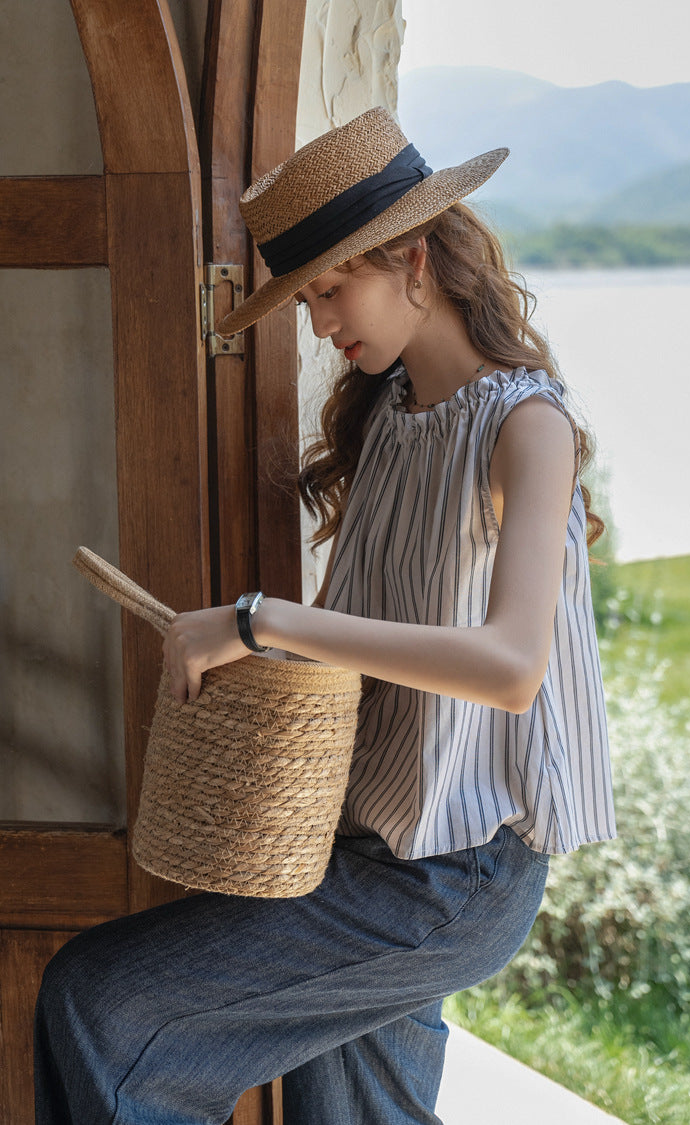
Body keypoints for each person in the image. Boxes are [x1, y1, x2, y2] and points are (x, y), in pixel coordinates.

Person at [34, 106, 615, 1125]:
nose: (319, 324)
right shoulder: (387, 423)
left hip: (454, 876)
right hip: (362, 847)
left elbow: (511, 665)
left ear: (415, 259)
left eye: (330, 289)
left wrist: (262, 621)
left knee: (105, 1003)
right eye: (306, 298)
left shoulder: (530, 425)